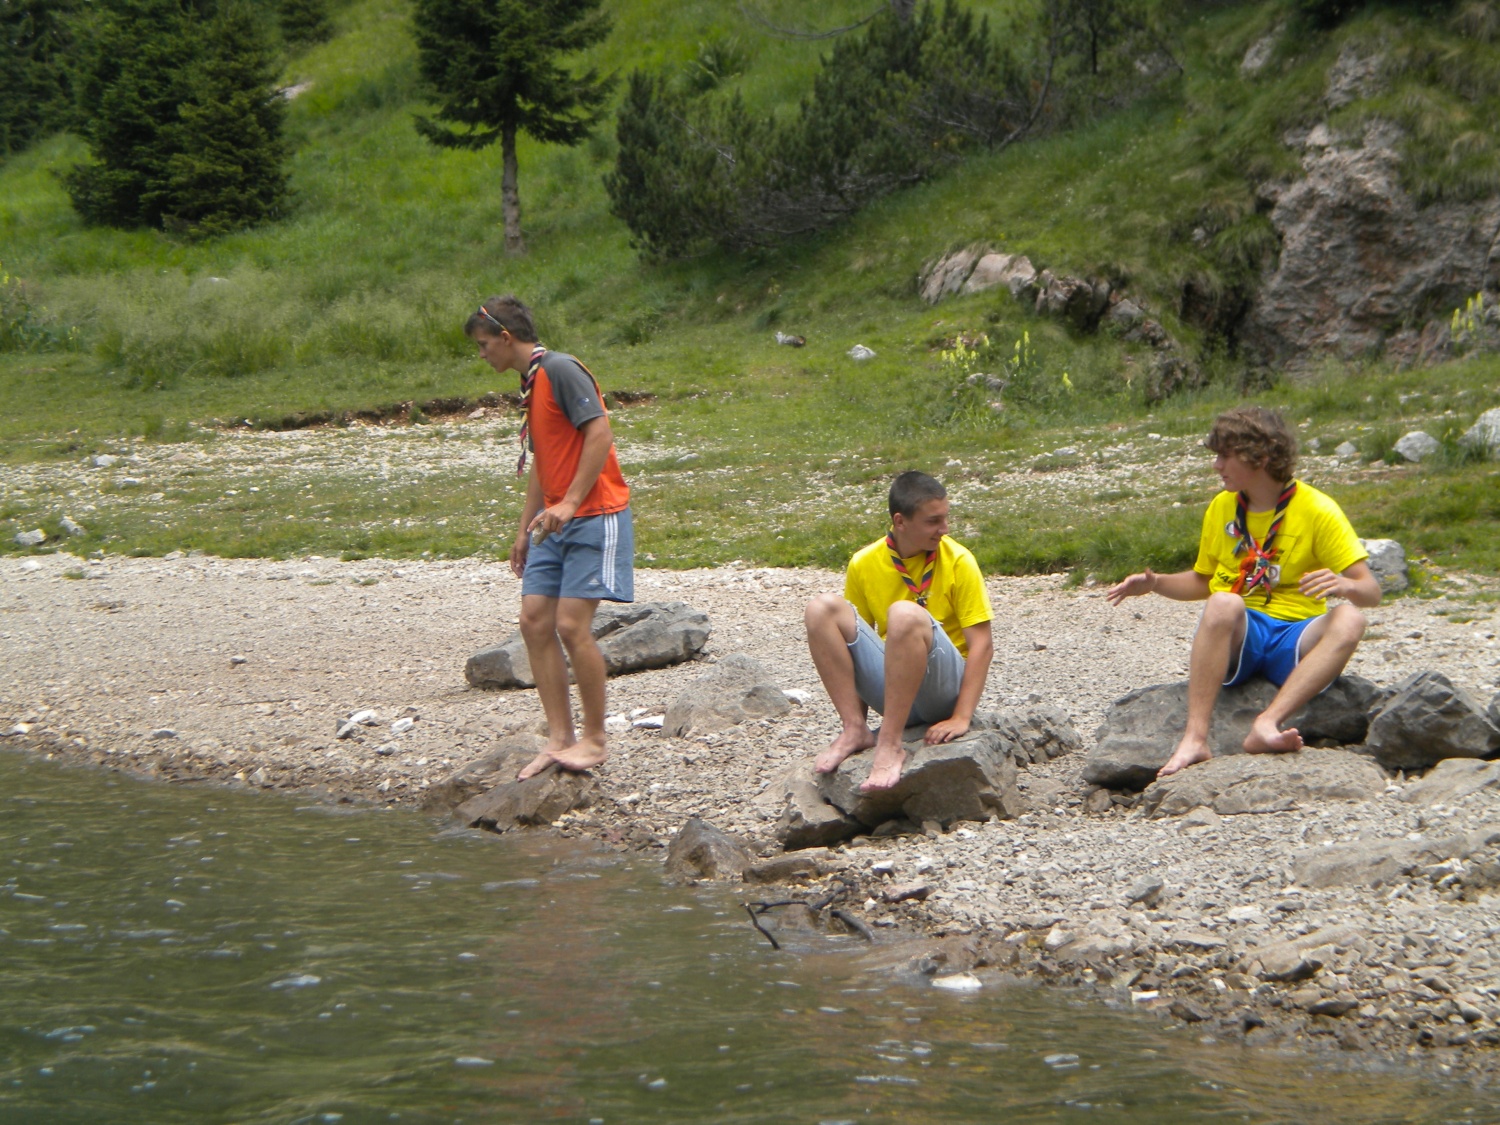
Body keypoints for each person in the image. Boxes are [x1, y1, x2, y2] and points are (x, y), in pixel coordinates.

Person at [1105, 406, 1381, 778]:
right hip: (1243, 633)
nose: (1216, 465)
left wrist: (1346, 585)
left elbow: (1370, 591)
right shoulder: (1222, 507)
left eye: (1224, 456)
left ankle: (1267, 724)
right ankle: (1195, 738)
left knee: (1351, 617)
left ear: (1260, 457)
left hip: (1295, 637)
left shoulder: (1318, 509)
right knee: (1223, 601)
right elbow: (1204, 582)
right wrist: (1155, 584)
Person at [465, 295, 634, 780]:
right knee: (534, 620)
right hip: (553, 522)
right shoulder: (531, 382)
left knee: (571, 626)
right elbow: (543, 458)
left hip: (593, 513)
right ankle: (560, 737)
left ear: (505, 337)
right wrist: (525, 528)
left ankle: (595, 740)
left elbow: (599, 434)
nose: (481, 356)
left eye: (482, 345)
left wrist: (569, 503)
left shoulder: (561, 370)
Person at [806, 471, 995, 792]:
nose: (944, 529)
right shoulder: (863, 563)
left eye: (945, 518)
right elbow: (851, 646)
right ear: (900, 521)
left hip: (943, 691)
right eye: (933, 521)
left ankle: (891, 744)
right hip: (893, 690)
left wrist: (962, 717)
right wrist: (861, 715)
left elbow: (982, 645)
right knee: (820, 608)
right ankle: (854, 729)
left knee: (903, 613)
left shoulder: (960, 560)